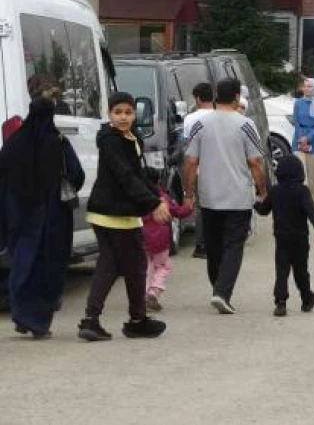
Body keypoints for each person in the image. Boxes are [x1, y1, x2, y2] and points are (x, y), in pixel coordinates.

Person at [80, 92, 170, 340]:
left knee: (126, 266)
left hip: (119, 213)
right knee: (127, 265)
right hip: (113, 213)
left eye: (128, 112)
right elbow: (125, 176)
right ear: (109, 114)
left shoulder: (130, 137)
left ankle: (129, 319)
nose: (123, 117)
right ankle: (118, 319)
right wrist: (153, 203)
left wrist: (158, 195)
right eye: (117, 112)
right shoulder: (110, 141)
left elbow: (137, 173)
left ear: (134, 114)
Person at [182, 79, 269, 315]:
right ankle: (222, 292)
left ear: (216, 96)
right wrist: (262, 191)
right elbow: (256, 162)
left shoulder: (200, 123)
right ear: (235, 98)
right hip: (238, 196)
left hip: (209, 196)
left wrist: (188, 193)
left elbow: (190, 161)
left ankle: (216, 287)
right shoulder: (245, 124)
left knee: (213, 246)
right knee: (233, 246)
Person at [0, 98, 84, 339]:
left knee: (22, 263)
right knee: (49, 266)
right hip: (51, 216)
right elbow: (75, 175)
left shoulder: (14, 143)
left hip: (18, 215)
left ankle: (21, 313)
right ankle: (38, 321)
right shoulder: (57, 142)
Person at [254, 156, 314, 316]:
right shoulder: (302, 191)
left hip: (281, 238)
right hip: (300, 238)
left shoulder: (275, 191)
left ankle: (280, 302)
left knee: (282, 270)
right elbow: (311, 211)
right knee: (301, 270)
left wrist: (254, 203)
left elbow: (264, 211)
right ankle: (307, 298)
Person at [141, 169, 193, 312]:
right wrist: (189, 206)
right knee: (164, 266)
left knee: (147, 267)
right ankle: (153, 292)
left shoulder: (137, 198)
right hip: (160, 241)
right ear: (158, 181)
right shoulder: (163, 198)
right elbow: (179, 212)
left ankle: (142, 296)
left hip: (141, 239)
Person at [183, 82, 215, 259]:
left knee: (202, 209)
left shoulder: (190, 119)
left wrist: (188, 189)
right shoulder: (221, 116)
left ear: (197, 98)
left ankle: (201, 245)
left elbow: (189, 150)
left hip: (200, 169)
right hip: (220, 169)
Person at [293, 78, 314, 202]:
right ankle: (301, 199)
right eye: (305, 86)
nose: (306, 88)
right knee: (300, 171)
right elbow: (296, 121)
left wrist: (308, 138)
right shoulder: (298, 102)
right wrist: (302, 138)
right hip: (299, 138)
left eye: (309, 86)